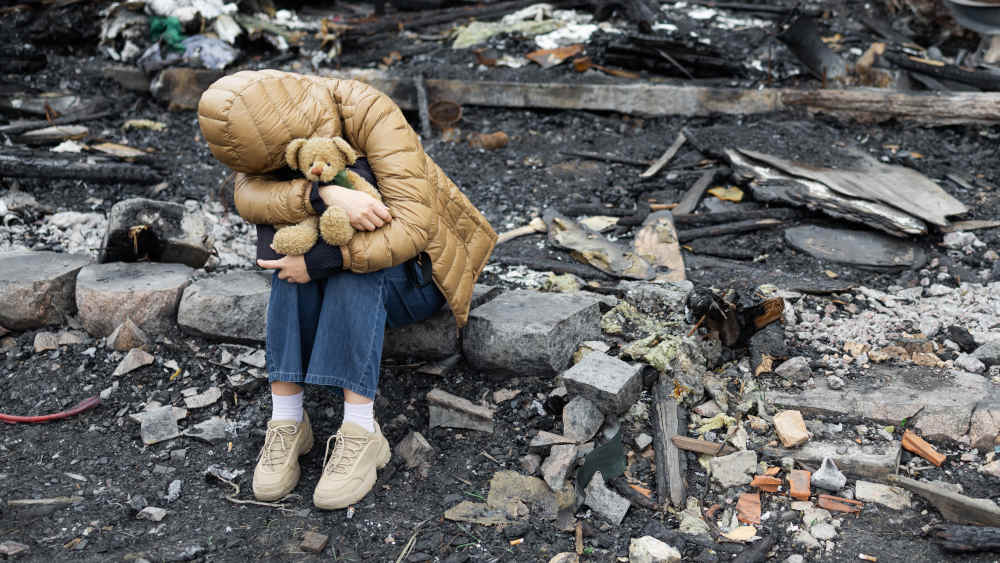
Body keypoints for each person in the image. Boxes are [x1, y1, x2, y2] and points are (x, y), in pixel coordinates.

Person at [197, 70, 497, 509]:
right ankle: (287, 422)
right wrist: (323, 198)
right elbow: (252, 200)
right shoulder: (259, 124)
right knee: (287, 269)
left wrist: (321, 260)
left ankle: (361, 430)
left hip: (419, 271)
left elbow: (413, 229)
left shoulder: (370, 114)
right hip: (344, 256)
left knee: (350, 270)